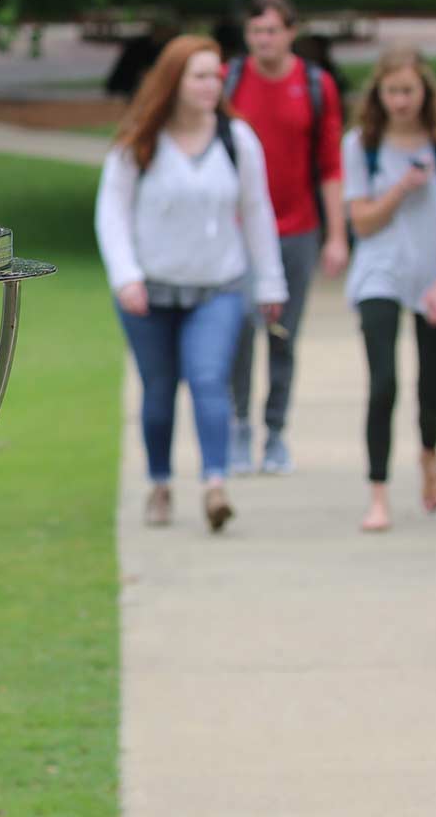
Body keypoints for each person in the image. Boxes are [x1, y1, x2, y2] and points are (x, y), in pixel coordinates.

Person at [97, 36, 287, 531]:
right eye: (199, 75)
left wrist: (270, 283)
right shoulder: (140, 139)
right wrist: (126, 277)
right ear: (173, 80)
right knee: (159, 389)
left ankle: (215, 486)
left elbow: (256, 210)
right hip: (150, 292)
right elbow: (112, 215)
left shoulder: (236, 139)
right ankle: (160, 484)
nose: (211, 85)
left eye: (216, 75)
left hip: (218, 287)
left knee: (208, 380)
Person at [342, 47, 436, 532]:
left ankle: (428, 453)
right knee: (383, 384)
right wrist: (401, 188)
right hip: (379, 270)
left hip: (435, 270)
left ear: (426, 92)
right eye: (392, 91)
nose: (401, 101)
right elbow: (362, 220)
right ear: (378, 94)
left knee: (432, 385)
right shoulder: (363, 143)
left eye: (409, 91)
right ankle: (378, 493)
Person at [223, 0, 347, 474]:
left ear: (291, 33)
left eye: (272, 31)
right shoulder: (230, 82)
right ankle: (239, 426)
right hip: (239, 233)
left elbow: (330, 166)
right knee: (237, 334)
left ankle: (275, 432)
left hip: (297, 230)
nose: (264, 40)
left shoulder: (316, 86)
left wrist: (337, 236)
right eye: (256, 32)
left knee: (282, 334)